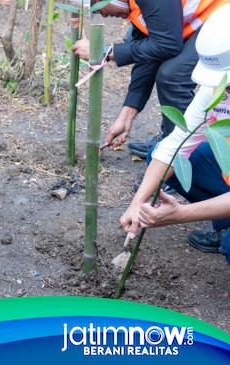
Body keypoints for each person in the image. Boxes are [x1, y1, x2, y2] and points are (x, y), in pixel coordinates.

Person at [121, 4, 230, 264]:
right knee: (166, 155)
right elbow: (177, 143)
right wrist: (137, 202)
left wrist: (180, 214)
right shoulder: (219, 86)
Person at [72, 0, 230, 159]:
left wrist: (105, 51)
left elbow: (167, 45)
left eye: (98, 7)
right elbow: (149, 52)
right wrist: (128, 112)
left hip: (221, 14)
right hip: (206, 17)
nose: (104, 14)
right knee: (169, 70)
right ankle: (170, 142)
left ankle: (184, 157)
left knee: (173, 75)